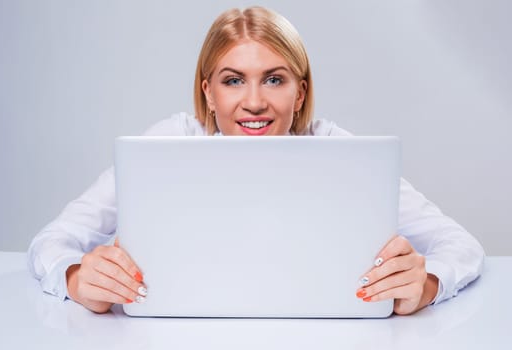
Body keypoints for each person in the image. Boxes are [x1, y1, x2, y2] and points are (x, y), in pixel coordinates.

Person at [27, 6, 485, 316]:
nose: (253, 102)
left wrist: (426, 286)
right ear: (207, 91)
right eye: (232, 80)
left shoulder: (339, 153)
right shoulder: (167, 144)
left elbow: (459, 244)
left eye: (273, 79)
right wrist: (73, 277)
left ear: (300, 91)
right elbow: (54, 239)